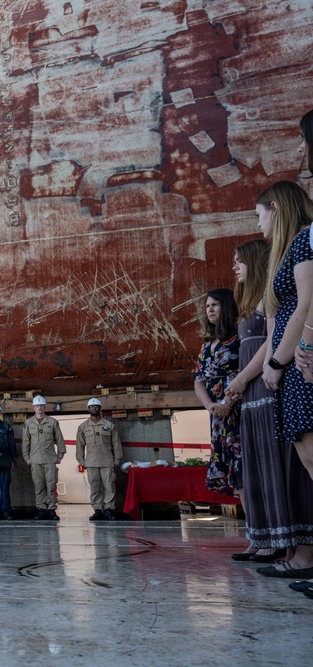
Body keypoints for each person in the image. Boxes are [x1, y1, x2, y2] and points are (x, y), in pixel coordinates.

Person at [254, 181, 313, 580]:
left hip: (297, 365)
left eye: (259, 214)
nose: (258, 225)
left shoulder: (304, 242)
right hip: (292, 368)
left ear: (275, 207)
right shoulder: (289, 250)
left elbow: (307, 301)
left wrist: (276, 360)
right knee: (309, 460)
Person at [224, 239, 286, 561]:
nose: (235, 267)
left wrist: (242, 378)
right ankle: (260, 535)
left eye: (240, 261)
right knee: (254, 466)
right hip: (249, 392)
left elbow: (268, 345)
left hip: (261, 387)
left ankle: (278, 538)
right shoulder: (248, 304)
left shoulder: (267, 298)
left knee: (269, 462)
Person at [193, 288, 241, 496]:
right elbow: (199, 381)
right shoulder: (206, 346)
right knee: (229, 471)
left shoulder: (238, 339)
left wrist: (227, 404)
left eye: (215, 305)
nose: (210, 310)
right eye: (207, 306)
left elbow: (244, 374)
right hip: (217, 416)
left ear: (227, 306)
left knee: (243, 468)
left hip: (238, 409)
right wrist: (210, 406)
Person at [75, 398, 122, 521]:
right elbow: (79, 446)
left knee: (109, 486)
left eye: (96, 406)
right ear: (88, 409)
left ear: (100, 408)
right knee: (95, 487)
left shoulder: (109, 425)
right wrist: (82, 461)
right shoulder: (83, 427)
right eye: (92, 406)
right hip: (91, 463)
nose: (94, 408)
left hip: (107, 462)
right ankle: (97, 510)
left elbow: (116, 444)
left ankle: (108, 509)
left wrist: (117, 460)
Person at [21, 395, 65, 520]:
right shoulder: (28, 423)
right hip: (35, 460)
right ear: (33, 407)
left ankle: (51, 509)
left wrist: (60, 455)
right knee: (39, 485)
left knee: (51, 485)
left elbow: (60, 439)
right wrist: (27, 458)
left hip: (50, 459)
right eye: (37, 406)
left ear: (44, 407)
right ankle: (41, 508)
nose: (39, 408)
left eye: (41, 405)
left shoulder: (52, 422)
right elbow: (26, 442)